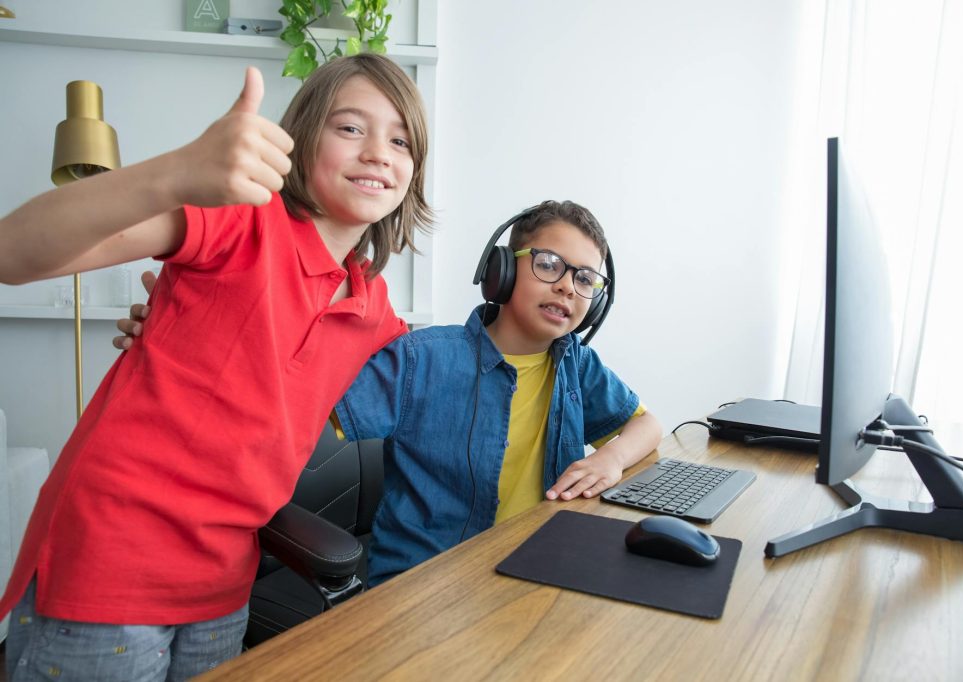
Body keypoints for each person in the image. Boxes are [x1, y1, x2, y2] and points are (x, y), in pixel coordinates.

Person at [0, 53, 432, 681]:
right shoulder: (241, 220)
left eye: (400, 139)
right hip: (112, 560)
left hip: (224, 587)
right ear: (300, 138)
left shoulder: (374, 310)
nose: (377, 152)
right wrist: (178, 173)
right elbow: (12, 254)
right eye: (349, 128)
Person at [119, 201, 662, 586]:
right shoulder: (421, 359)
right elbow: (290, 393)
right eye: (549, 265)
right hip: (430, 586)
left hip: (539, 571)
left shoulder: (577, 364)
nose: (569, 286)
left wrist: (611, 457)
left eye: (586, 279)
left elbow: (648, 426)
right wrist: (186, 330)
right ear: (500, 271)